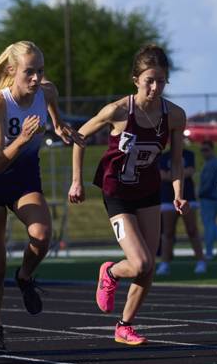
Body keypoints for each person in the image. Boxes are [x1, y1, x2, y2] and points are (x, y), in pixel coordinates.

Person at [70, 44, 187, 347]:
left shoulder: (174, 115)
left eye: (161, 81)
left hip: (148, 191)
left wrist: (178, 192)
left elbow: (175, 161)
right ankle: (110, 272)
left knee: (149, 265)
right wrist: (76, 182)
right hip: (117, 193)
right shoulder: (119, 111)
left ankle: (125, 326)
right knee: (139, 262)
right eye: (149, 80)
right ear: (136, 80)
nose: (155, 87)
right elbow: (79, 137)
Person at [0, 41, 76, 353]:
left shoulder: (47, 92)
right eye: (29, 72)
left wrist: (63, 130)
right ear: (12, 71)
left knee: (42, 235)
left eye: (40, 71)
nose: (36, 78)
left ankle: (25, 276)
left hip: (25, 177)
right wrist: (23, 138)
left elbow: (56, 122)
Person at [156, 146, 205, 275]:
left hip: (187, 197)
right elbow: (162, 174)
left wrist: (172, 175)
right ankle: (165, 263)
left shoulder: (188, 154)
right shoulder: (164, 156)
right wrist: (179, 174)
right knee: (168, 232)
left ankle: (201, 261)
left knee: (192, 230)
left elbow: (190, 171)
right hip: (168, 198)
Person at [197, 141, 217, 259]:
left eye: (206, 150)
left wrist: (199, 193)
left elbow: (208, 183)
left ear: (212, 150)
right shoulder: (216, 162)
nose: (204, 153)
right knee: (211, 223)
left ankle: (209, 251)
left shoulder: (212, 164)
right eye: (202, 150)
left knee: (208, 225)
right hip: (216, 197)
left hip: (209, 198)